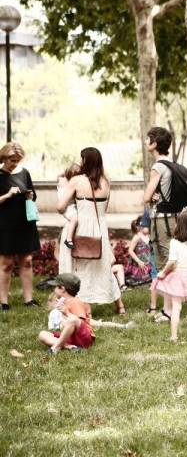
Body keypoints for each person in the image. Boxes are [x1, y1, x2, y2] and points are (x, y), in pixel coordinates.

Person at [57, 147, 124, 314]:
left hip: (80, 229)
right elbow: (104, 209)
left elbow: (59, 206)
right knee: (101, 268)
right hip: (99, 228)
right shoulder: (106, 182)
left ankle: (81, 307)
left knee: (77, 268)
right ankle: (119, 306)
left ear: (85, 161)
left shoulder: (77, 181)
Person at [38, 273, 134, 354]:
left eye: (55, 286)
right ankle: (70, 347)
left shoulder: (75, 302)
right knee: (42, 334)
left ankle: (56, 347)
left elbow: (79, 322)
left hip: (83, 338)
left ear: (62, 289)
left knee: (72, 319)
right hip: (70, 338)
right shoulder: (64, 303)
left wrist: (66, 313)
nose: (54, 289)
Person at [0, 142, 41, 311]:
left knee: (27, 261)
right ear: (3, 158)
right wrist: (8, 195)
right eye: (12, 160)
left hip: (25, 224)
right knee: (6, 263)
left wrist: (30, 196)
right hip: (5, 225)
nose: (15, 163)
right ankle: (3, 302)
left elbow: (33, 195)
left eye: (17, 160)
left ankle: (28, 299)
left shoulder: (24, 173)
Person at [142, 127, 177, 322]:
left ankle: (168, 310)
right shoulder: (172, 164)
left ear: (154, 143)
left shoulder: (158, 167)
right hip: (175, 217)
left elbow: (146, 197)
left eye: (148, 139)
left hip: (161, 219)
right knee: (173, 259)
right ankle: (172, 305)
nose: (146, 142)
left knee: (165, 262)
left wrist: (151, 196)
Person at [154, 211, 187, 341]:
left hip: (178, 276)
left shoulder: (175, 243)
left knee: (176, 307)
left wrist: (163, 273)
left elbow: (172, 262)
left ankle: (174, 336)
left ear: (180, 225)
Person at [125, 216, 156, 289]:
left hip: (148, 262)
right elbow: (130, 250)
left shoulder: (148, 236)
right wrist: (138, 261)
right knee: (140, 281)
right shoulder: (137, 237)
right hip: (140, 264)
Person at [58, 163, 81, 249]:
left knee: (74, 220)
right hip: (68, 207)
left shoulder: (63, 180)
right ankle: (68, 239)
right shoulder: (67, 184)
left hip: (70, 206)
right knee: (75, 218)